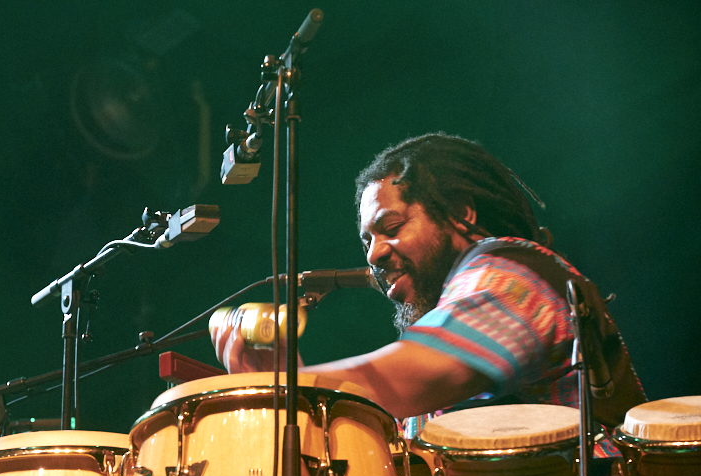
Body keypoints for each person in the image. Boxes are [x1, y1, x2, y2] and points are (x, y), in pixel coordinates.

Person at [211, 132, 646, 439]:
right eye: (367, 240)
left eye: (392, 227)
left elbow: (414, 374)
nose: (374, 254)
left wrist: (295, 383)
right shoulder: (442, 323)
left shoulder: (511, 274)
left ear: (460, 212)